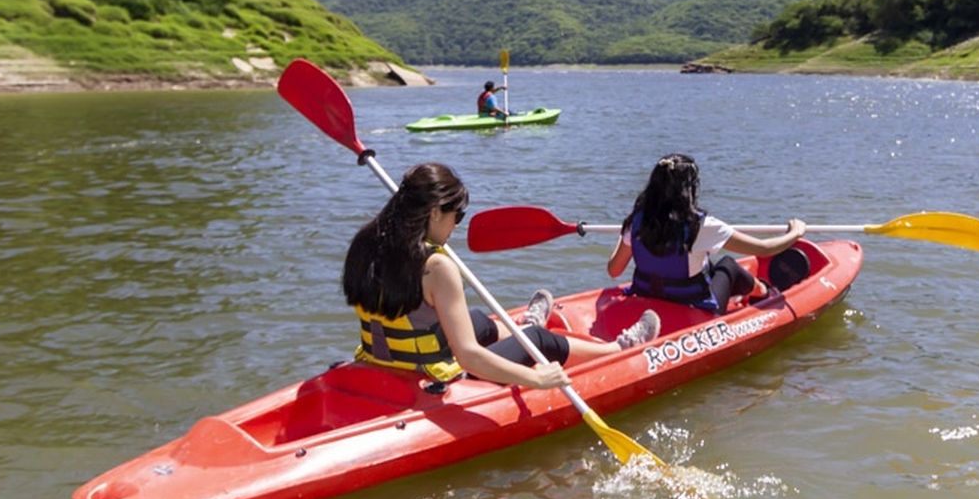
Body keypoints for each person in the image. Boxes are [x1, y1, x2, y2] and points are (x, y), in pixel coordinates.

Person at [344, 162, 659, 389]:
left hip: (380, 360)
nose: (457, 226)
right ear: (436, 212)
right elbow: (468, 357)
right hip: (429, 373)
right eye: (458, 216)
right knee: (538, 341)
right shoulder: (437, 267)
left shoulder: (365, 243)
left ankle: (525, 324)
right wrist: (537, 378)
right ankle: (616, 349)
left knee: (477, 319)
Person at [607, 153, 807, 314]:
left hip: (648, 296)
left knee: (707, 266)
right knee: (728, 264)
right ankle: (763, 293)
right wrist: (795, 233)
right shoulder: (700, 225)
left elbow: (614, 270)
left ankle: (755, 290)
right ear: (689, 189)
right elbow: (764, 249)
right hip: (690, 306)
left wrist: (626, 233)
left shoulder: (638, 220)